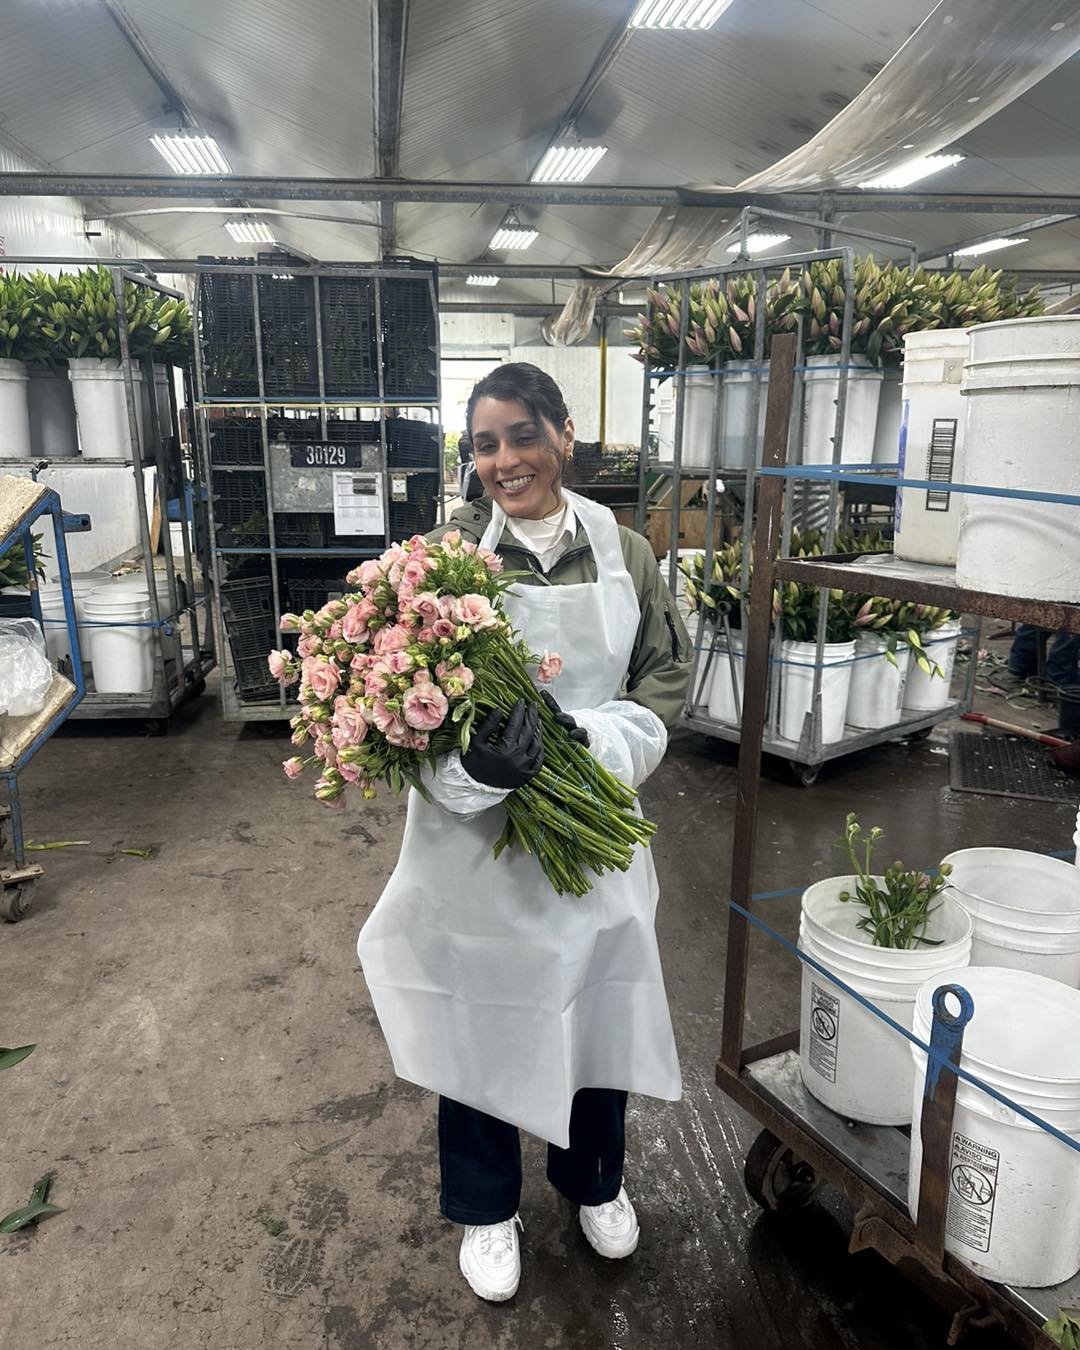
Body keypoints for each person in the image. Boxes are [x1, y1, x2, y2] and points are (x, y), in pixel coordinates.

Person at [356, 362, 691, 1302]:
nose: (506, 461)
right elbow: (405, 717)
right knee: (479, 1013)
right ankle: (486, 1207)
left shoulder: (623, 547)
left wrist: (591, 742)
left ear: (564, 435)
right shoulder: (443, 560)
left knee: (597, 997)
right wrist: (477, 771)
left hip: (589, 828)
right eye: (485, 445)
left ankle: (593, 1182)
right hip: (473, 848)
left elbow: (664, 674)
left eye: (522, 436)